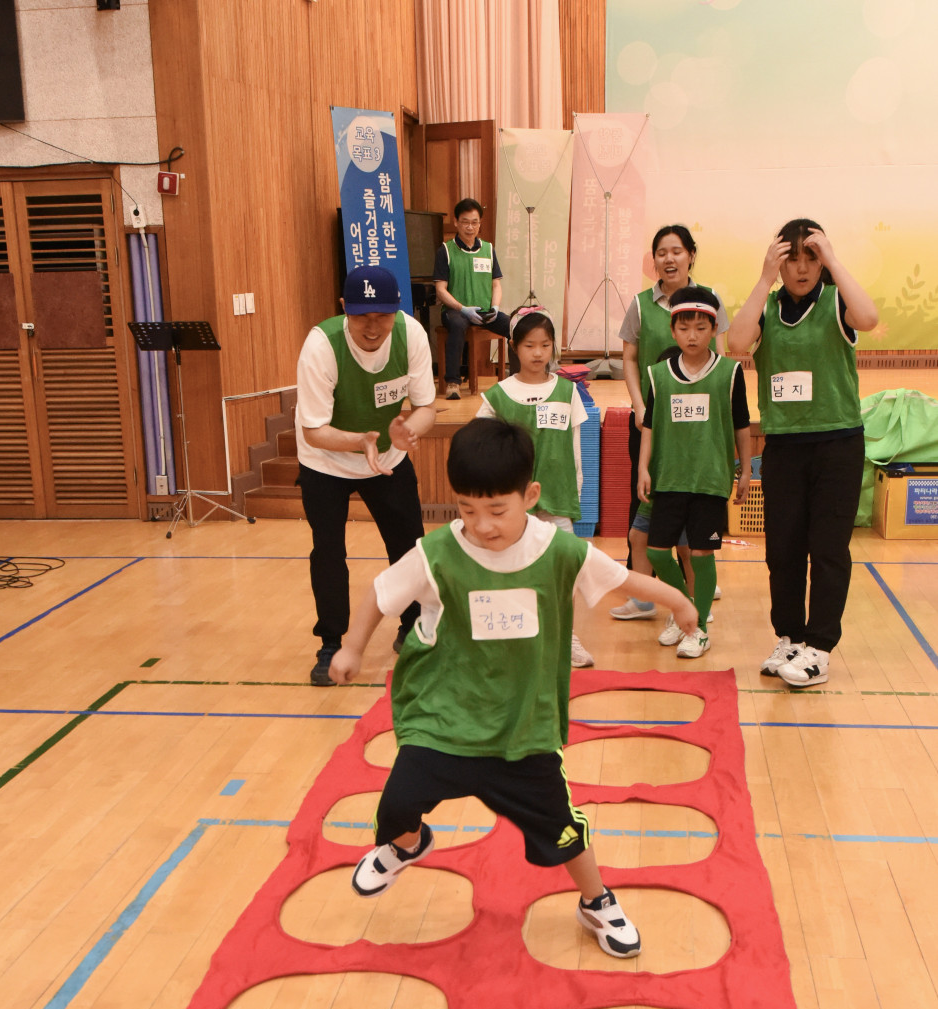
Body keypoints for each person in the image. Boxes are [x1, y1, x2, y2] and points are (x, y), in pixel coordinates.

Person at [327, 419, 698, 958]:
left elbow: (621, 581)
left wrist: (678, 600)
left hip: (523, 729)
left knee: (563, 830)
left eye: (497, 510)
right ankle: (407, 845)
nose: (482, 525)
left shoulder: (560, 551)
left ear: (530, 496)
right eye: (467, 509)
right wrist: (352, 648)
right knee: (397, 806)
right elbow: (381, 595)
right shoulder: (436, 553)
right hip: (445, 721)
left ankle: (595, 901)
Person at [728, 219, 877, 688]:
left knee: (828, 550)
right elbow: (734, 343)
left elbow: (869, 319)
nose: (801, 267)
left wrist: (834, 259)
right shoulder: (768, 309)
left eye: (810, 257)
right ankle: (790, 638)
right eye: (791, 258)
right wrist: (763, 278)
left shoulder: (836, 302)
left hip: (838, 444)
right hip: (785, 448)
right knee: (783, 549)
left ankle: (820, 649)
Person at [296, 266, 437, 685]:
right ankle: (331, 643)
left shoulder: (412, 336)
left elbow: (426, 408)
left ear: (397, 310)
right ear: (344, 309)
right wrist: (360, 441)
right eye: (361, 316)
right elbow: (313, 430)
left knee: (409, 545)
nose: (373, 327)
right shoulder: (321, 346)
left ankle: (413, 625)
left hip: (388, 457)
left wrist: (409, 431)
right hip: (325, 461)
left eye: (382, 316)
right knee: (328, 553)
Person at [612, 225, 730, 622]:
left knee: (691, 508)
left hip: (697, 428)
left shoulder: (710, 299)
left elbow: (722, 362)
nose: (668, 259)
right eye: (661, 252)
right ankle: (643, 594)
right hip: (651, 421)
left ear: (691, 255)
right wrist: (639, 405)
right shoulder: (640, 303)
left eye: (676, 251)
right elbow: (629, 358)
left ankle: (693, 590)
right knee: (644, 507)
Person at [476, 303, 594, 668]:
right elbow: (479, 445)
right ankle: (517, 637)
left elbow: (576, 447)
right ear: (514, 347)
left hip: (557, 497)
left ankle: (565, 637)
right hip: (512, 503)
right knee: (513, 569)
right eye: (529, 345)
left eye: (545, 345)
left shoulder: (567, 391)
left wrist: (575, 489)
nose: (538, 353)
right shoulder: (497, 396)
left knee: (563, 570)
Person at [637, 286, 752, 659]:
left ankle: (698, 628)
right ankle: (685, 608)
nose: (692, 335)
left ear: (714, 329)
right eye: (684, 328)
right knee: (656, 553)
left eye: (701, 328)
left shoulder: (730, 373)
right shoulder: (658, 374)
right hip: (669, 478)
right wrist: (642, 468)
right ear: (672, 330)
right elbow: (649, 427)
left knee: (701, 555)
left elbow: (741, 425)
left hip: (709, 480)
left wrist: (745, 469)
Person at [433, 197, 513, 401]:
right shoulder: (445, 251)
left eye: (474, 222)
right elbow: (440, 290)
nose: (470, 227)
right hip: (456, 311)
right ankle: (453, 383)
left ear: (480, 223)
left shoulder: (488, 249)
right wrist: (463, 308)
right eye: (465, 222)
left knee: (515, 326)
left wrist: (495, 307)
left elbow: (496, 285)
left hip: (485, 310)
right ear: (456, 222)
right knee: (458, 325)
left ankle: (518, 378)